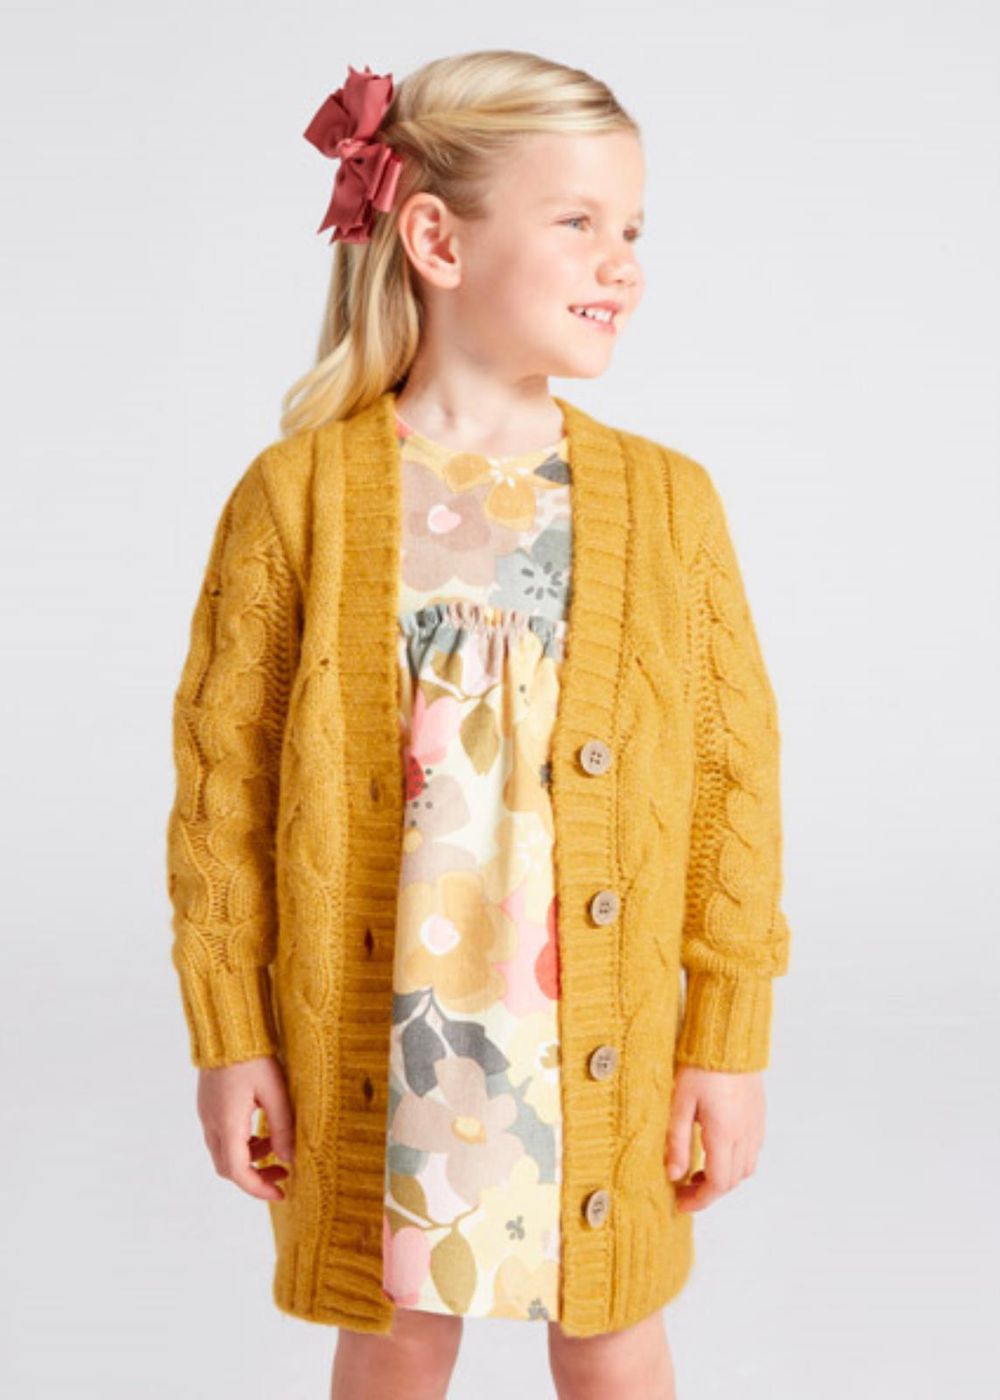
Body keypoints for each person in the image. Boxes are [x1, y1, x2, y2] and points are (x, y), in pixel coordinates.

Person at [166, 49, 793, 1400]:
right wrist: (233, 1035)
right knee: (397, 1324)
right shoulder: (299, 499)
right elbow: (222, 798)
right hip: (392, 1032)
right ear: (439, 241)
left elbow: (735, 783)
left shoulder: (668, 506)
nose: (622, 264)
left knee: (610, 1325)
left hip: (597, 1025)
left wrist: (726, 1039)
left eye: (634, 230)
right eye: (579, 222)